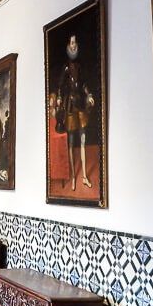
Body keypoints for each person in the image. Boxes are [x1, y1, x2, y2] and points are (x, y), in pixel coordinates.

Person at [56, 34, 95, 191]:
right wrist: (59, 98)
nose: (73, 45)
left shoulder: (80, 66)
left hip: (80, 106)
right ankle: (73, 177)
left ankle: (84, 176)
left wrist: (89, 94)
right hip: (70, 107)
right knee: (72, 143)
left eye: (75, 42)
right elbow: (60, 86)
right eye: (71, 42)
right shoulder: (66, 67)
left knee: (83, 140)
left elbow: (84, 83)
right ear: (68, 45)